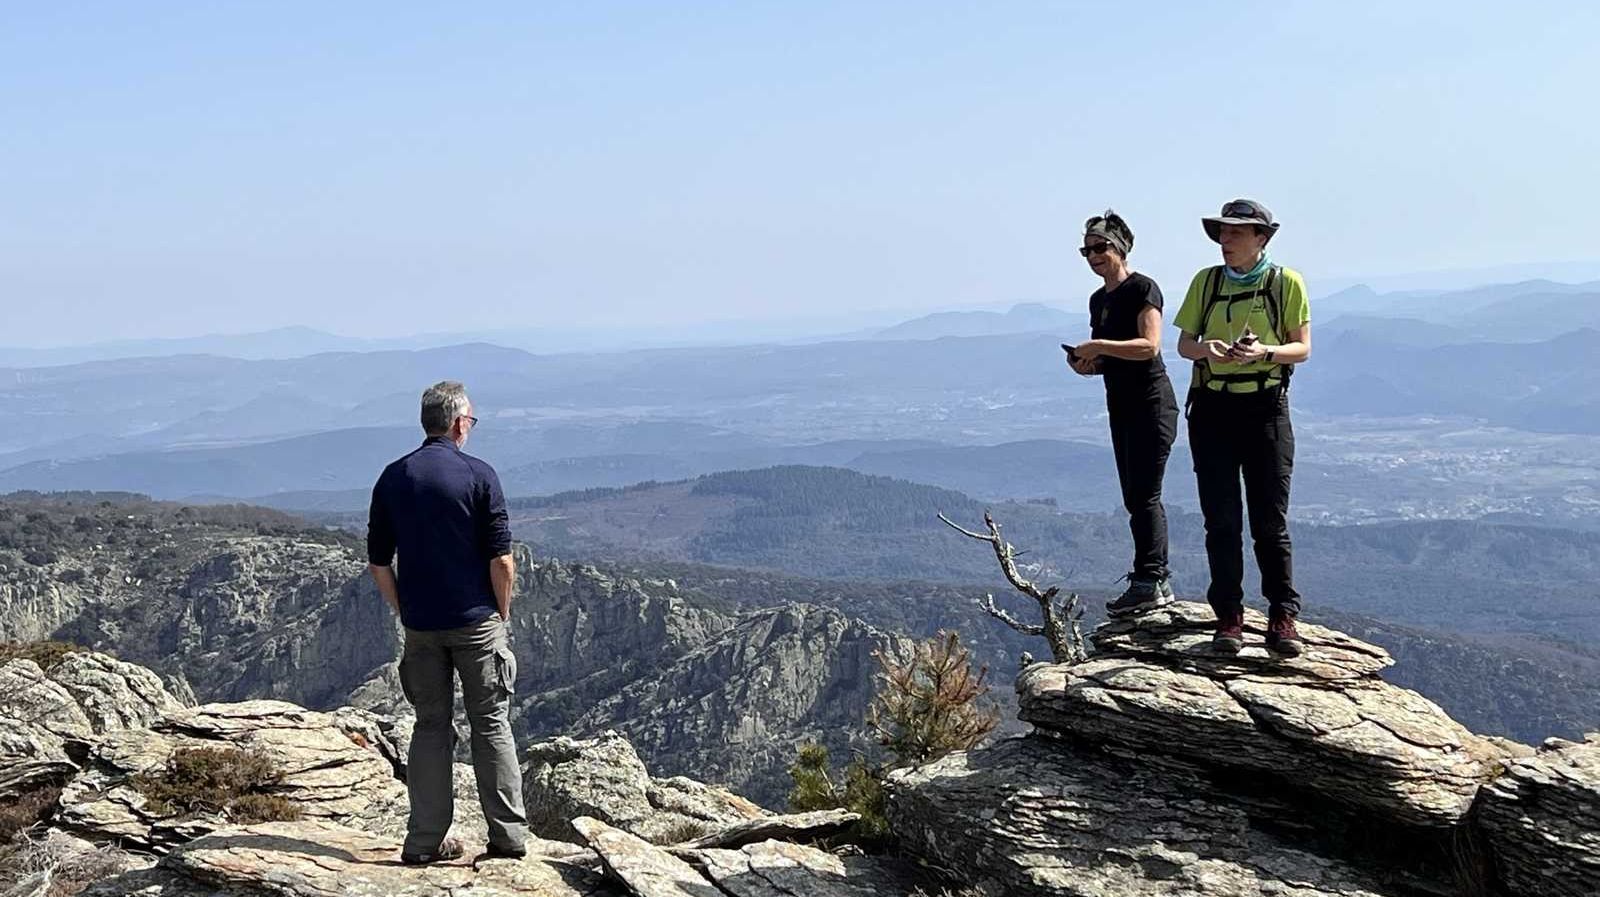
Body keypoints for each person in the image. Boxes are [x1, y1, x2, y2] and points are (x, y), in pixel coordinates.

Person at [367, 380, 528, 864]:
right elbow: (502, 561)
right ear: (459, 424)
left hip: (422, 628)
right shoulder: (479, 476)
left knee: (430, 728)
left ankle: (422, 843)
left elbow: (379, 562)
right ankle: (507, 838)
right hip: (476, 623)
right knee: (492, 725)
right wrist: (501, 614)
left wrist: (403, 610)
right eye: (471, 421)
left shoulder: (393, 477)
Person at [1173, 199, 1312, 656]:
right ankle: (1228, 617)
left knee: (1269, 521)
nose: (1225, 241)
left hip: (1266, 408)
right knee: (1221, 520)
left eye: (1236, 232)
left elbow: (1302, 349)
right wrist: (1209, 348)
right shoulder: (1206, 282)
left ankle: (1282, 616)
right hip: (1213, 408)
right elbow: (1184, 345)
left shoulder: (1285, 282)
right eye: (1222, 233)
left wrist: (1263, 354)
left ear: (1261, 238)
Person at [1067, 210, 1179, 616]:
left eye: (1100, 247)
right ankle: (1150, 579)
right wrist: (1087, 365)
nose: (1093, 255)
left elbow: (1149, 346)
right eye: (1087, 249)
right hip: (1122, 404)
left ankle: (1152, 579)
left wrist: (1098, 348)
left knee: (1145, 494)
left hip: (1152, 403)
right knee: (1134, 496)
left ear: (1120, 248)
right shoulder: (1099, 300)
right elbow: (1112, 359)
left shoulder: (1143, 289)